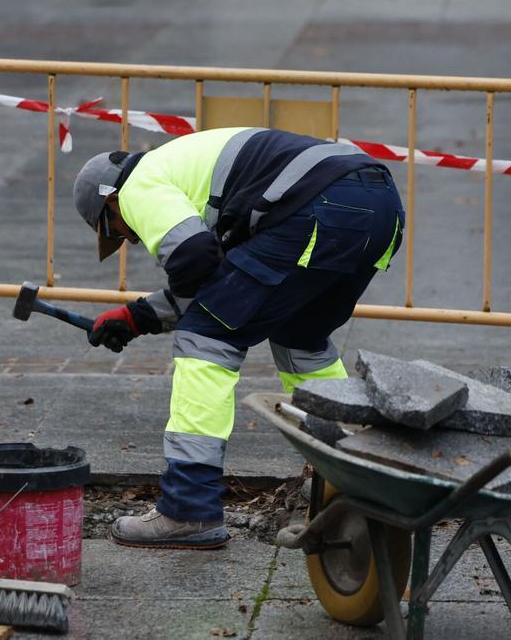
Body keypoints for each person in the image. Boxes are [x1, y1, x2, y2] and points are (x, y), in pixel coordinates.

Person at [72, 127, 404, 549]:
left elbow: (194, 260)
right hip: (378, 206)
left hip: (318, 207)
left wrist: (152, 315)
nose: (132, 237)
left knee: (204, 339)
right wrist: (137, 318)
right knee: (300, 337)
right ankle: (347, 474)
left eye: (119, 230)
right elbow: (223, 279)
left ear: (111, 201)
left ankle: (188, 509)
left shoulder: (139, 184)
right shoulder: (189, 170)